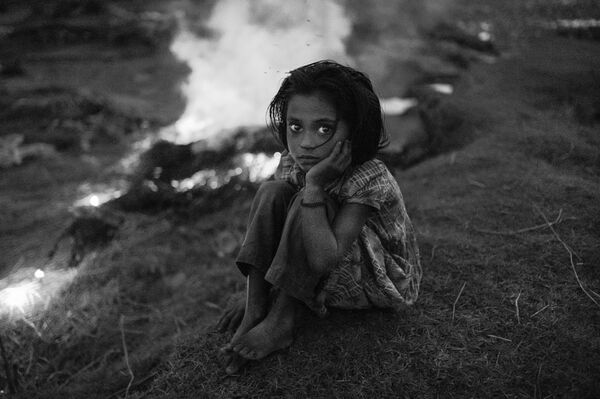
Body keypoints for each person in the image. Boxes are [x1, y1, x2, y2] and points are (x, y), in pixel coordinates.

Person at [217, 60, 422, 375]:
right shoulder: (291, 161)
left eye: (324, 128)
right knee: (272, 193)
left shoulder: (368, 177)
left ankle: (282, 319)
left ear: (353, 129)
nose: (306, 143)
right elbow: (276, 224)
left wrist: (314, 186)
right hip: (313, 260)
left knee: (307, 200)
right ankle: (256, 304)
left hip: (371, 278)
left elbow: (326, 260)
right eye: (295, 126)